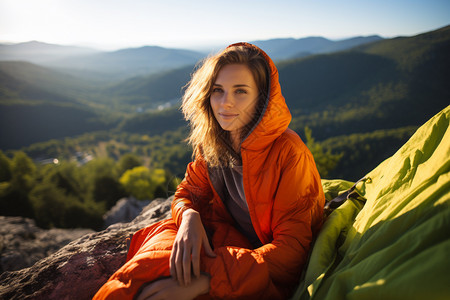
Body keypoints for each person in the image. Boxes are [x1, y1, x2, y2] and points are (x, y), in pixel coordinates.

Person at [94, 42, 325, 300]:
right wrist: (189, 217)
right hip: (227, 241)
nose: (226, 103)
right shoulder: (215, 142)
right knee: (146, 274)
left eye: (240, 91)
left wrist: (206, 281)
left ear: (262, 98)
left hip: (264, 266)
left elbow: (291, 253)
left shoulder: (289, 153)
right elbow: (187, 192)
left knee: (175, 284)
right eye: (218, 90)